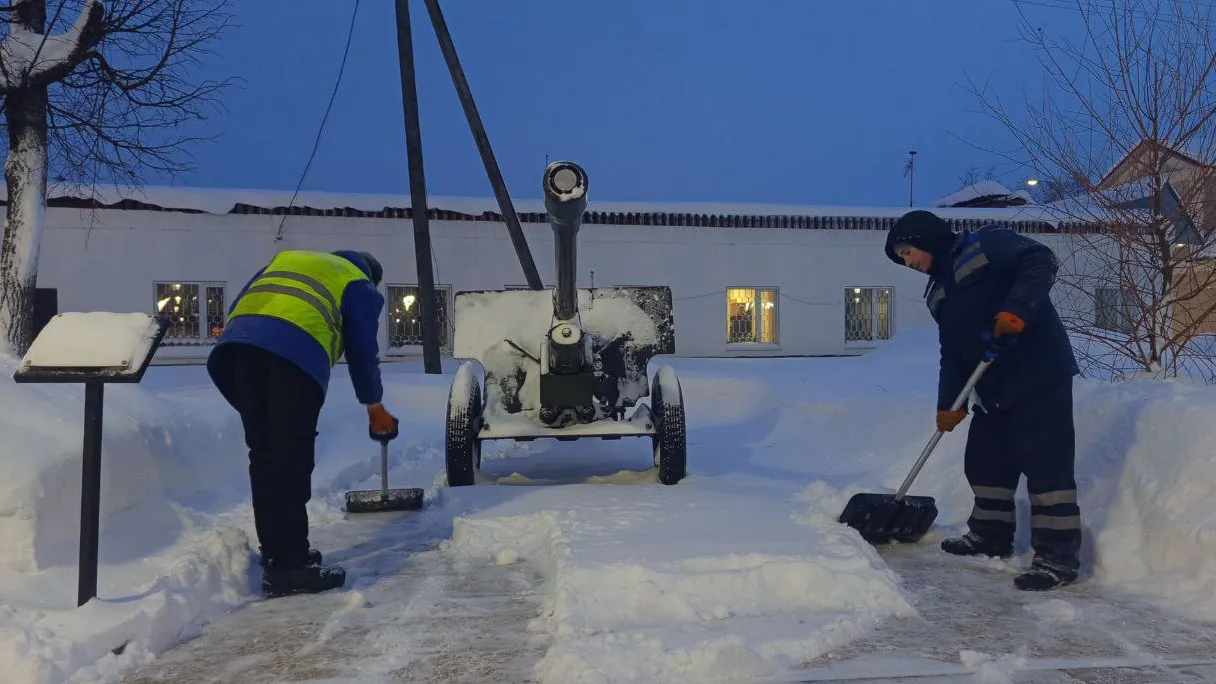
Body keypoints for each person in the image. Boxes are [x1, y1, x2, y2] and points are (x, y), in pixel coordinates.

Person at [884, 210, 1082, 591]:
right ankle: (990, 536)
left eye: (908, 252)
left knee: (1047, 468)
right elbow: (953, 352)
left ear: (925, 239)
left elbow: (1039, 259)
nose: (909, 263)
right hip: (992, 388)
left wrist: (1016, 309)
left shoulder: (985, 244)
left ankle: (1057, 558)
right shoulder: (937, 293)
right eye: (903, 258)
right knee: (986, 463)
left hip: (1038, 375)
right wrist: (949, 404)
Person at [206, 249, 399, 598]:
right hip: (291, 356)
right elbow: (361, 349)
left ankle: (280, 551)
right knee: (290, 458)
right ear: (371, 276)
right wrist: (375, 406)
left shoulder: (287, 260)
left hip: (236, 353)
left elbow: (240, 304)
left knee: (265, 455)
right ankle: (289, 568)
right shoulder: (357, 283)